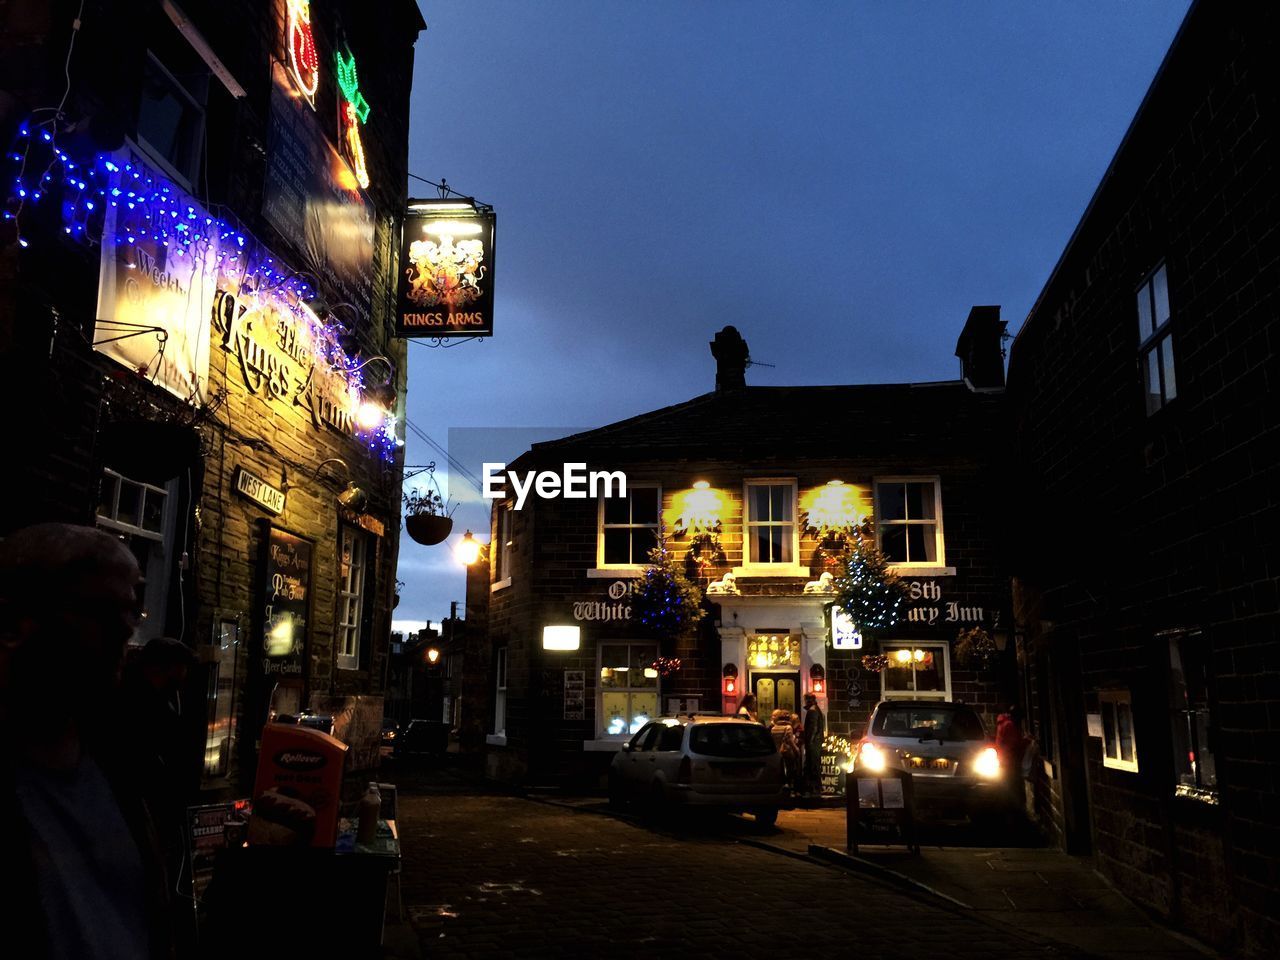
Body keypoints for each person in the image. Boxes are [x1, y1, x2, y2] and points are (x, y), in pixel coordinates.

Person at [0, 523, 172, 959]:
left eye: (131, 612)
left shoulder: (124, 764)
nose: (124, 633)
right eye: (99, 610)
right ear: (12, 624)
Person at [769, 709, 801, 792]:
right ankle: (791, 788)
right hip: (787, 753)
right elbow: (790, 741)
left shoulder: (773, 728)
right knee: (790, 770)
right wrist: (796, 750)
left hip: (777, 754)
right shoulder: (788, 727)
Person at [802, 693, 826, 795]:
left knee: (812, 765)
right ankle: (816, 787)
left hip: (813, 743)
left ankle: (814, 788)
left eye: (805, 699)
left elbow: (813, 728)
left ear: (809, 700)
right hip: (817, 741)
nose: (804, 702)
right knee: (814, 765)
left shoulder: (812, 711)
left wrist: (809, 742)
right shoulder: (817, 709)